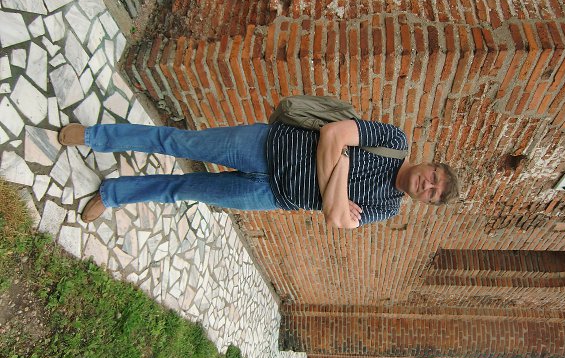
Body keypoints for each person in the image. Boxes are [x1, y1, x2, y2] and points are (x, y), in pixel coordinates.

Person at [58, 117, 459, 228]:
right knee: (179, 142)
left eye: (432, 193)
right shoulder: (393, 141)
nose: (428, 185)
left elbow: (337, 218)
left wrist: (342, 164)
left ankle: (112, 195)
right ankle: (95, 136)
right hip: (266, 146)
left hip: (270, 196)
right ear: (431, 164)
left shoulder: (387, 207)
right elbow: (332, 133)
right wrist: (335, 190)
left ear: (425, 202)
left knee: (183, 188)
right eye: (434, 177)